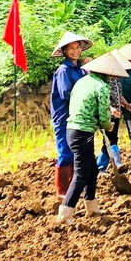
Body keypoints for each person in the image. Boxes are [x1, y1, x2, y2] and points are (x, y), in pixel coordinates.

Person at [58, 53, 124, 225]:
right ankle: (65, 212)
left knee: (93, 169)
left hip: (72, 129)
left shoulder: (83, 81)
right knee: (81, 173)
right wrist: (109, 125)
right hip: (82, 132)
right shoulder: (102, 86)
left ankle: (91, 206)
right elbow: (102, 116)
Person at [49, 32, 92, 196]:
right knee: (65, 152)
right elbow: (67, 93)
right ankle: (62, 190)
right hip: (64, 117)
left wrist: (89, 71)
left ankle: (74, 188)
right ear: (65, 51)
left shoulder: (81, 70)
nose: (75, 51)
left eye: (77, 47)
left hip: (77, 117)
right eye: (71, 48)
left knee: (76, 152)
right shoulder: (63, 70)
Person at [98, 45, 131, 170]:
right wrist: (110, 108)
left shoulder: (124, 76)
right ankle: (111, 164)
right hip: (107, 111)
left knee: (129, 134)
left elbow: (120, 95)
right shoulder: (103, 77)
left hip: (121, 108)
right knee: (110, 138)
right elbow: (101, 97)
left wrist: (129, 104)